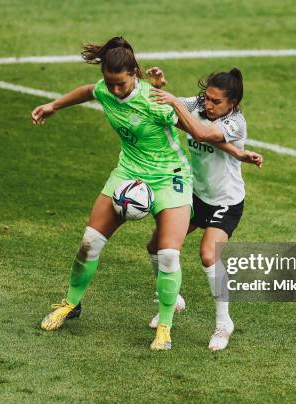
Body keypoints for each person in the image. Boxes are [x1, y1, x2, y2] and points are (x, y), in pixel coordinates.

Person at [31, 37, 192, 351]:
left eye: (120, 83)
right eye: (110, 83)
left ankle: (164, 326)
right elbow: (88, 91)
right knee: (89, 242)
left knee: (169, 254)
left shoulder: (152, 101)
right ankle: (71, 304)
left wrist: (227, 146)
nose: (115, 90)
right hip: (128, 174)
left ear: (134, 74)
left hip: (170, 177)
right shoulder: (104, 88)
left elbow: (192, 128)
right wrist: (53, 106)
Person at [146, 67, 262, 351]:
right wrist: (159, 87)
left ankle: (224, 324)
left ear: (231, 103)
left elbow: (199, 132)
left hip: (226, 200)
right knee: (156, 245)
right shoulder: (197, 105)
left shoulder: (236, 123)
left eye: (216, 101)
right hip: (195, 195)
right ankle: (174, 299)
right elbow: (157, 103)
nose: (208, 105)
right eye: (206, 98)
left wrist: (174, 103)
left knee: (209, 254)